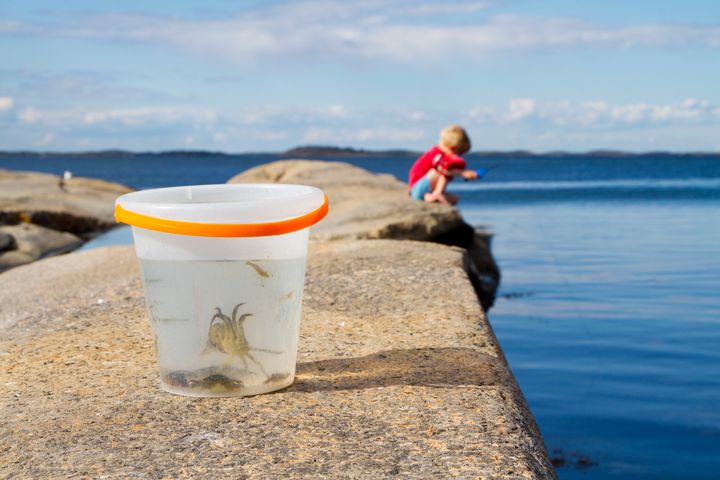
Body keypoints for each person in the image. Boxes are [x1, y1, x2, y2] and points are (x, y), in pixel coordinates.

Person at [408, 124, 478, 205]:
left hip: (428, 191)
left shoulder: (445, 157)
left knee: (454, 199)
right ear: (453, 147)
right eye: (459, 153)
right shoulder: (436, 153)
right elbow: (443, 169)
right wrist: (463, 173)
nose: (458, 156)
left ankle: (434, 196)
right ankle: (435, 195)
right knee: (438, 172)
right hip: (417, 190)